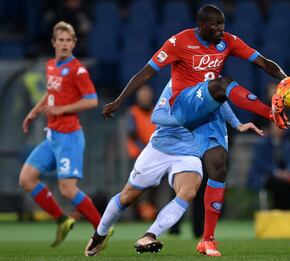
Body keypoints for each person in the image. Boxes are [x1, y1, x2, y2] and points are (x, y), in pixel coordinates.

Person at [101, 4, 289, 256]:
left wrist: (286, 81)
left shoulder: (228, 41)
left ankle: (207, 239)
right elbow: (145, 73)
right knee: (222, 84)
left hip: (207, 110)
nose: (221, 29)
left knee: (218, 166)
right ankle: (270, 112)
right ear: (201, 26)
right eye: (215, 25)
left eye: (223, 24)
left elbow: (263, 62)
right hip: (183, 105)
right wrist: (119, 101)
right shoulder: (179, 41)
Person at [84, 80, 262, 256]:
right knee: (127, 197)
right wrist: (188, 118)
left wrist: (237, 124)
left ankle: (149, 236)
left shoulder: (209, 79)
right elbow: (157, 116)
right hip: (160, 148)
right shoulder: (176, 83)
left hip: (190, 152)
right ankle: (99, 235)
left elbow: (219, 102)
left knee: (188, 191)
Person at [18, 21, 102, 247]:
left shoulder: (78, 70)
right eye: (60, 40)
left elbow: (92, 101)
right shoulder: (51, 66)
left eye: (68, 40)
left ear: (74, 43)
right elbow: (52, 93)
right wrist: (34, 112)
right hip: (52, 135)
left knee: (67, 190)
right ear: (54, 43)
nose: (64, 44)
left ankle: (101, 228)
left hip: (69, 136)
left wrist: (61, 109)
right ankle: (62, 220)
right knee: (26, 179)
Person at [248, 124, 290, 210]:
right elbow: (260, 163)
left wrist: (288, 172)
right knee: (279, 184)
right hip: (265, 175)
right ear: (271, 129)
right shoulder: (262, 143)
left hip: (284, 175)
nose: (279, 130)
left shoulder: (287, 143)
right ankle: (278, 210)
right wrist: (277, 172)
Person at [126, 85, 157, 221]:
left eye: (147, 95)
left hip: (156, 156)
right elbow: (131, 133)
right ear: (138, 97)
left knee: (153, 187)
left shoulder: (157, 111)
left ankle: (151, 214)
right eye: (142, 95)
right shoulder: (132, 112)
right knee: (135, 186)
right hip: (137, 156)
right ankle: (135, 217)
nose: (145, 97)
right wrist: (147, 149)